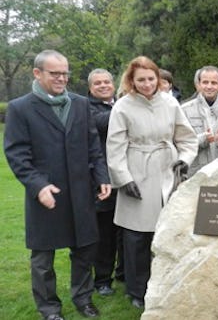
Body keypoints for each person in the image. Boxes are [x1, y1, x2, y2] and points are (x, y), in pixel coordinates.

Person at [4, 50, 111, 320]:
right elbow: (17, 154)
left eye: (65, 73)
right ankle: (50, 309)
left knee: (85, 250)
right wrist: (38, 185)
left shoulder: (79, 104)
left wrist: (101, 177)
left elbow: (92, 147)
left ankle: (83, 299)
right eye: (55, 73)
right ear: (37, 73)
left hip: (81, 192)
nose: (62, 78)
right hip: (46, 195)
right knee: (42, 259)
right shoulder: (20, 108)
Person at [107, 56, 197, 309]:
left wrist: (184, 160)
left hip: (167, 172)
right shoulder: (123, 106)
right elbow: (114, 147)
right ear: (131, 81)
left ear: (158, 78)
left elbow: (187, 138)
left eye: (151, 78)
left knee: (167, 231)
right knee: (136, 236)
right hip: (136, 172)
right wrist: (123, 179)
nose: (147, 84)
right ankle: (136, 289)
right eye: (141, 80)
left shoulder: (170, 103)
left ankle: (165, 281)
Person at [86, 68, 123, 297]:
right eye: (97, 83)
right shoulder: (85, 108)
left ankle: (124, 273)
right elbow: (101, 123)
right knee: (106, 234)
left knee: (126, 231)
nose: (103, 85)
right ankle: (102, 280)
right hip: (103, 179)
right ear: (90, 88)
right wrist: (127, 106)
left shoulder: (120, 103)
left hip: (127, 177)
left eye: (107, 82)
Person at [181, 66, 218, 177]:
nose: (209, 86)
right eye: (205, 82)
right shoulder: (184, 111)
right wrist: (203, 139)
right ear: (199, 84)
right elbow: (181, 145)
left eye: (214, 83)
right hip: (194, 177)